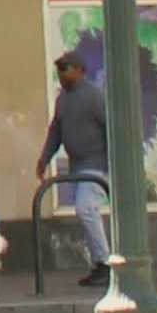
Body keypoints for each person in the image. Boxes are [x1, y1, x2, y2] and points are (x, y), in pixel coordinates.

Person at [40, 48, 112, 289]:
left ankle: (105, 264)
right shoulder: (63, 99)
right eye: (59, 69)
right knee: (86, 211)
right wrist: (44, 158)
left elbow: (110, 127)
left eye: (66, 68)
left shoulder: (93, 95)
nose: (61, 73)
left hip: (96, 165)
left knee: (86, 209)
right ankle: (100, 263)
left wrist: (112, 165)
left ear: (80, 70)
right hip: (79, 165)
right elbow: (56, 132)